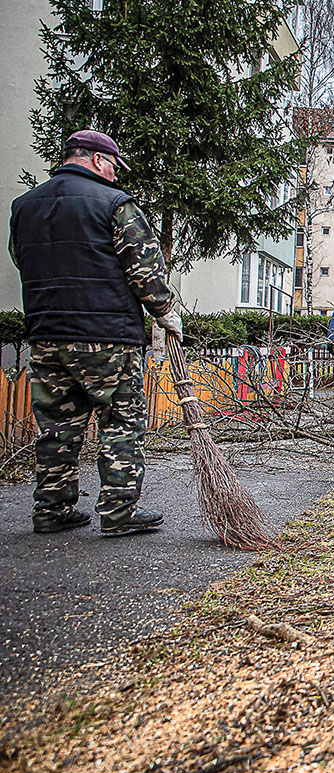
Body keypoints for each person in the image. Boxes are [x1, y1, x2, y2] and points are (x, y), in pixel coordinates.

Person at [8, 129, 183, 536]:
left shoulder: (24, 207)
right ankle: (118, 513)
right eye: (113, 167)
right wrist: (165, 311)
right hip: (107, 337)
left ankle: (52, 509)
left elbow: (23, 260)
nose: (115, 176)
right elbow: (145, 270)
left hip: (46, 334)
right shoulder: (115, 205)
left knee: (56, 427)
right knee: (121, 420)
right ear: (98, 160)